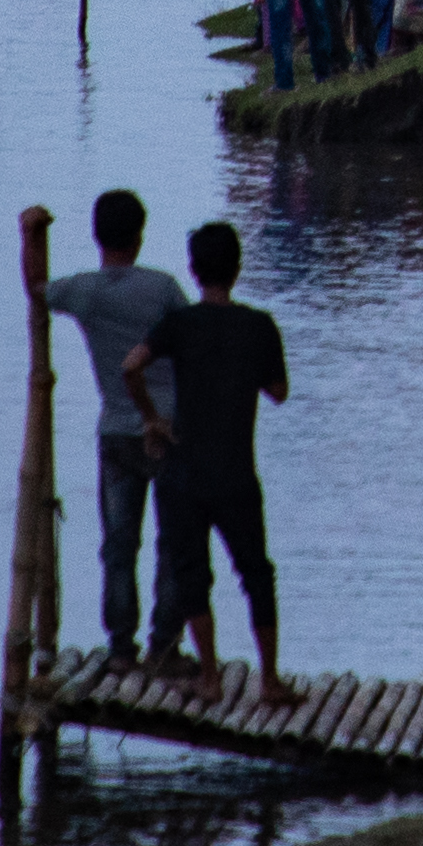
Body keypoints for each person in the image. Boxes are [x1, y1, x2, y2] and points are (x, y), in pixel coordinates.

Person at [118, 221, 294, 702]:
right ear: (238, 268)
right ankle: (272, 680)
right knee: (256, 573)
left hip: (184, 473)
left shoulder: (180, 325)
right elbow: (278, 393)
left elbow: (131, 365)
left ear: (193, 271)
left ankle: (210, 676)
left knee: (193, 573)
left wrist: (152, 419)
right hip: (236, 472)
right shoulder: (259, 327)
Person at [43, 189, 187, 667]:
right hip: (167, 430)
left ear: (96, 235)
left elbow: (36, 288)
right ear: (140, 236)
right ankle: (164, 645)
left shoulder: (86, 292)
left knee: (120, 543)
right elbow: (192, 344)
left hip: (117, 431)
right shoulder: (163, 289)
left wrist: (29, 235)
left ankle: (121, 646)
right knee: (173, 543)